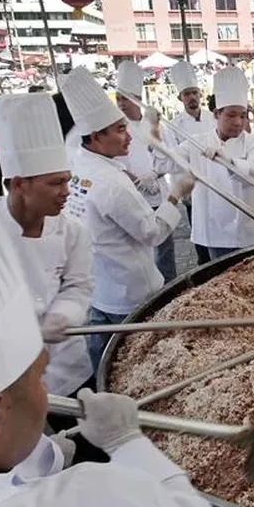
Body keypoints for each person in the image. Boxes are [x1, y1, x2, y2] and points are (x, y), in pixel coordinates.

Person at [0, 159, 223, 507]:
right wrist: (127, 443)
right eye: (37, 377)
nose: (66, 191)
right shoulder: (86, 505)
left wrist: (37, 461)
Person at [62, 67, 191, 369]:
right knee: (137, 363)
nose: (127, 137)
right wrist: (177, 194)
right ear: (95, 136)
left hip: (100, 286)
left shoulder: (79, 164)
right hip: (131, 291)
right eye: (120, 130)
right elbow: (152, 233)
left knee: (104, 357)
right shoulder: (111, 183)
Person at [0, 92, 94, 406]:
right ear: (20, 183)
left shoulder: (72, 230)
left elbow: (79, 285)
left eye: (67, 181)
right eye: (55, 183)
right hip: (10, 374)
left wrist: (63, 316)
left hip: (69, 367)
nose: (66, 192)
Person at [172, 67, 254, 261]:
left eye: (243, 116)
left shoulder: (253, 143)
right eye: (231, 115)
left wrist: (231, 161)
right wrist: (152, 132)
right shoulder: (197, 142)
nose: (238, 122)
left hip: (251, 231)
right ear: (217, 114)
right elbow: (169, 160)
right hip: (216, 234)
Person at [114, 60, 176, 283]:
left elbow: (170, 159)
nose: (121, 104)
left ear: (138, 100)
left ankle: (170, 287)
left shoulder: (154, 124)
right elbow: (114, 164)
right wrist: (138, 180)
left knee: (165, 250)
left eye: (126, 98)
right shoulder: (116, 130)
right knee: (142, 251)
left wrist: (155, 176)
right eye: (118, 98)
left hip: (159, 195)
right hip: (132, 198)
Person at [163, 59, 214, 266]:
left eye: (194, 92)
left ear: (200, 94)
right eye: (187, 94)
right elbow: (174, 161)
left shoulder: (214, 118)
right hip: (194, 192)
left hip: (218, 186)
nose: (192, 97)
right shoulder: (173, 127)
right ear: (180, 98)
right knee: (201, 238)